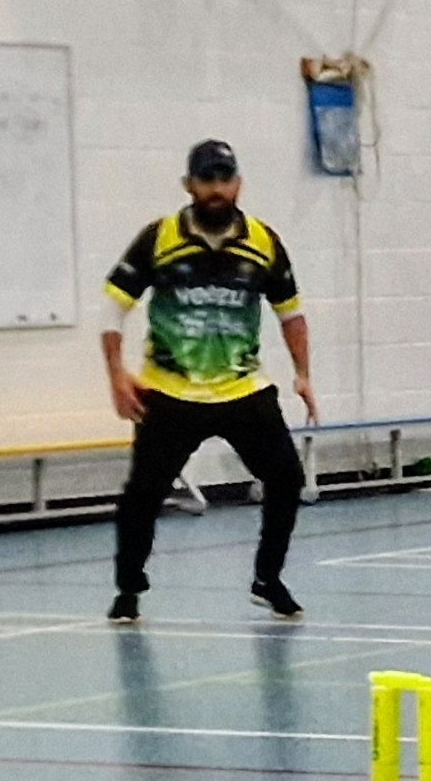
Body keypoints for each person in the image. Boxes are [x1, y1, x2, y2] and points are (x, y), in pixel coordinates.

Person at [100, 139, 316, 622]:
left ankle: (268, 578)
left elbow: (291, 313)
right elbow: (114, 305)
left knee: (286, 477)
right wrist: (117, 374)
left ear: (237, 184)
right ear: (189, 185)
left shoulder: (262, 241)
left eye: (224, 179)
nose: (216, 189)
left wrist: (303, 374)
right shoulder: (159, 238)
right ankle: (128, 588)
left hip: (241, 388)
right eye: (206, 180)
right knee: (143, 493)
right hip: (171, 391)